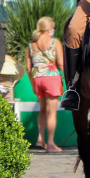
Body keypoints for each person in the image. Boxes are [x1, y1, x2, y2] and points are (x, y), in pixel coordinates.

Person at [26, 17, 64, 153]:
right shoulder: (54, 42)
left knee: (42, 110)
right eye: (52, 27)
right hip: (51, 77)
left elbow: (28, 66)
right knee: (51, 112)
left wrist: (32, 81)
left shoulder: (31, 44)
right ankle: (51, 143)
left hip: (37, 78)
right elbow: (60, 64)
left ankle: (40, 138)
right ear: (49, 29)